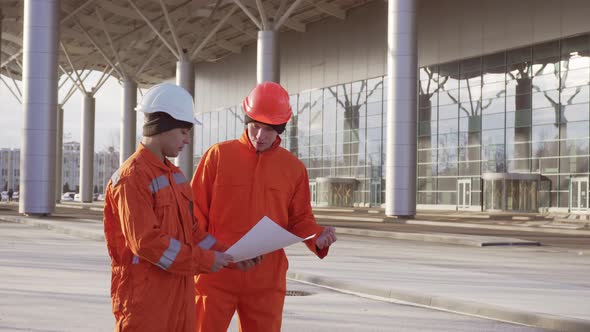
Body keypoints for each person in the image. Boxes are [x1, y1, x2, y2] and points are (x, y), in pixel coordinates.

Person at [190, 81, 338, 332]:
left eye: (268, 130)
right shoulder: (217, 156)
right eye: (255, 126)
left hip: (266, 280)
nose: (260, 136)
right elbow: (194, 214)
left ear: (280, 129)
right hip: (216, 274)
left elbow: (300, 218)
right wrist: (209, 255)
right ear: (246, 121)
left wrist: (317, 235)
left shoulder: (293, 169)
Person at [102, 83, 233, 331]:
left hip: (180, 294)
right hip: (146, 301)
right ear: (162, 127)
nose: (187, 140)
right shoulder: (133, 177)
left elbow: (192, 232)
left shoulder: (176, 176)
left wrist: (229, 256)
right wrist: (205, 260)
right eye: (183, 131)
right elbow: (146, 242)